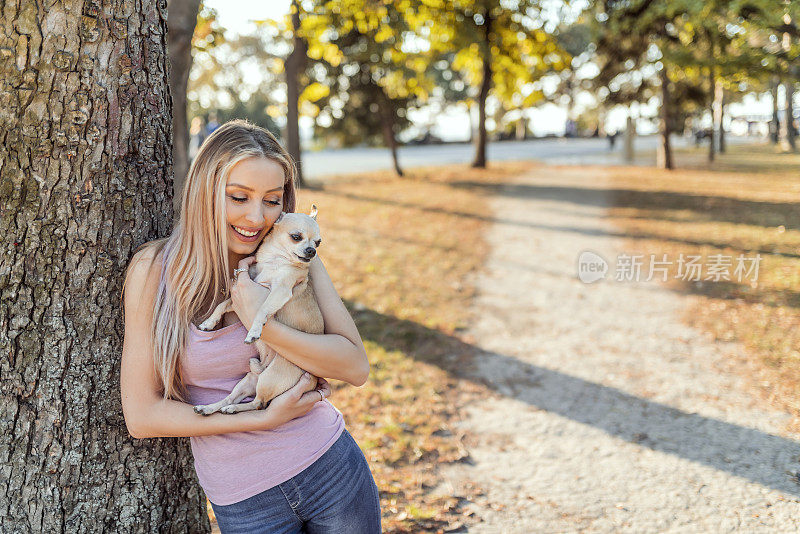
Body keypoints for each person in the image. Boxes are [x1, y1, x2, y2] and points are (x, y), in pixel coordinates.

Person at [120, 119, 382, 533]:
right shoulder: (154, 271)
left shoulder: (294, 255)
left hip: (331, 468)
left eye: (273, 200)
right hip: (246, 499)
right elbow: (142, 415)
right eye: (239, 197)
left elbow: (355, 368)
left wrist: (261, 321)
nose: (256, 217)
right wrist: (261, 419)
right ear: (205, 193)